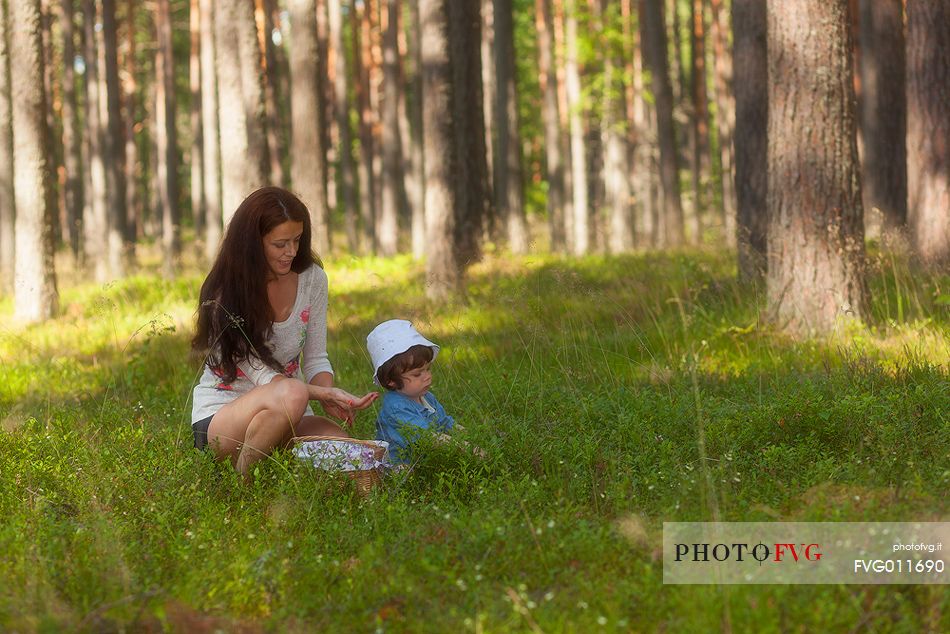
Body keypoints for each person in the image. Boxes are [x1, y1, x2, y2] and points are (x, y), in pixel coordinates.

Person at [190, 186, 378, 477]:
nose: (291, 252)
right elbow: (264, 376)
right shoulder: (224, 291)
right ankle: (244, 487)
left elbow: (316, 357)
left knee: (352, 452)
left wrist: (326, 394)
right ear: (253, 243)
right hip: (223, 419)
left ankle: (274, 464)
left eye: (297, 240)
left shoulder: (313, 280)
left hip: (292, 412)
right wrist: (322, 394)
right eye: (280, 244)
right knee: (290, 391)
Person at [366, 319, 458, 464]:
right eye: (417, 374)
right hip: (402, 464)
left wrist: (467, 435)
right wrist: (467, 448)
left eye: (428, 369)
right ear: (391, 380)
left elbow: (445, 423)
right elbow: (427, 438)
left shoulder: (426, 397)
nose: (427, 376)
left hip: (424, 460)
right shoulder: (396, 407)